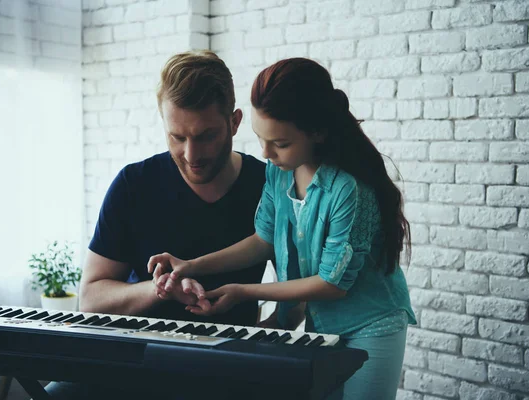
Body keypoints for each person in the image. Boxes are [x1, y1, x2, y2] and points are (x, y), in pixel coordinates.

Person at [149, 57, 417, 400]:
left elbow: (331, 284)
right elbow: (262, 240)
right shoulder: (278, 172)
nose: (265, 151)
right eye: (261, 138)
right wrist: (191, 264)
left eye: (280, 143)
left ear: (317, 132)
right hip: (323, 323)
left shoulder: (348, 189)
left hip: (374, 324)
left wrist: (246, 291)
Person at [43, 51, 268, 399]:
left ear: (235, 122)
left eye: (206, 136)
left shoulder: (268, 186)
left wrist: (270, 340)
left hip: (229, 371)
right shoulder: (134, 184)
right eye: (177, 137)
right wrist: (159, 288)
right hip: (130, 367)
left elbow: (300, 282)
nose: (191, 155)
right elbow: (90, 298)